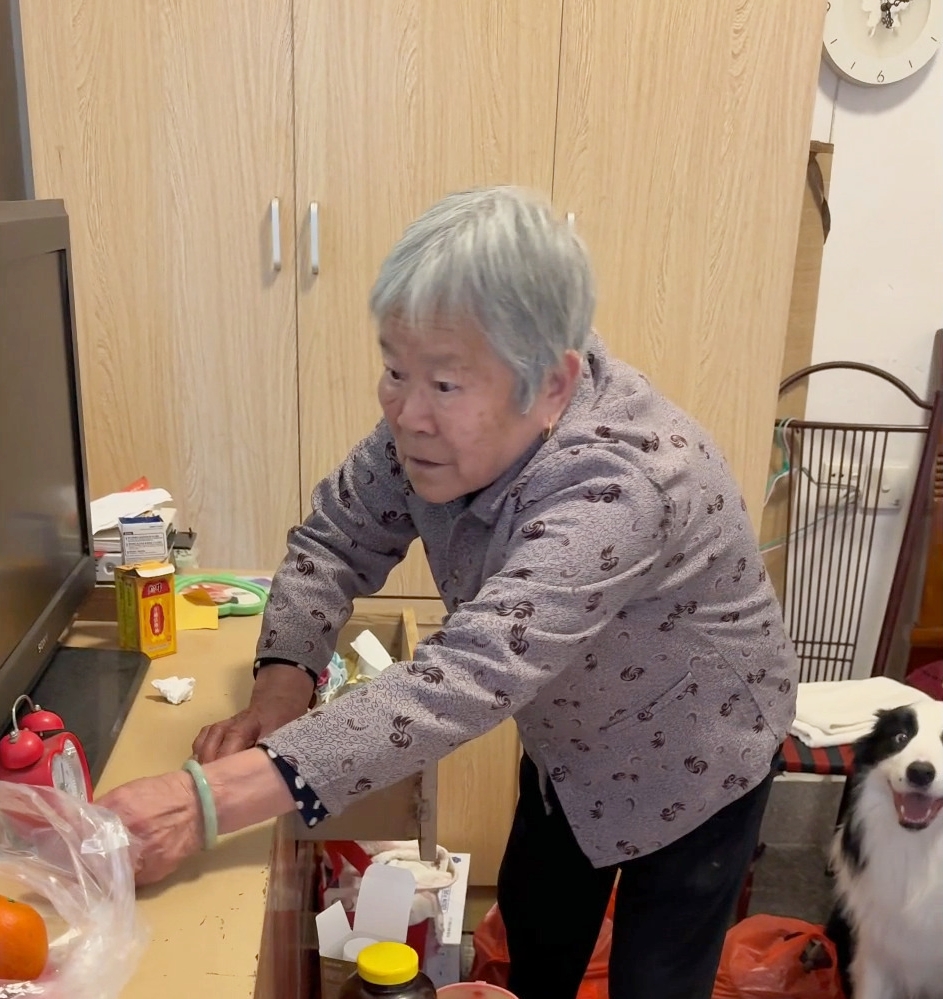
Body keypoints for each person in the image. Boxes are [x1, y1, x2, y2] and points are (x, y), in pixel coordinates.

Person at [99, 186, 798, 999]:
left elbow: (467, 675)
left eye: (444, 385)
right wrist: (281, 688)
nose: (407, 413)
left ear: (551, 385)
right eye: (394, 370)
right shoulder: (431, 418)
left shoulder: (623, 481)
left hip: (696, 750)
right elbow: (333, 539)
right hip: (566, 742)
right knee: (536, 934)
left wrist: (200, 804)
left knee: (656, 976)